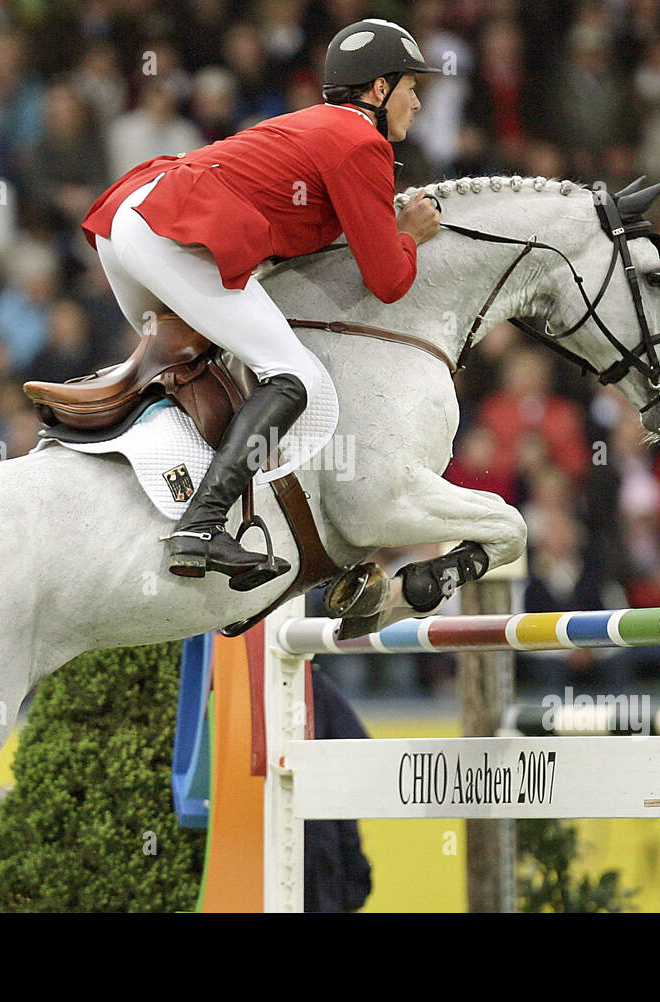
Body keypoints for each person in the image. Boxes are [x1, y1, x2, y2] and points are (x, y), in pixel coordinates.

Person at [80, 19, 442, 584]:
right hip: (171, 229)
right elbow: (389, 281)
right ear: (378, 89)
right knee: (297, 377)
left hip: (129, 219)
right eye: (412, 87)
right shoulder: (360, 141)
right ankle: (201, 525)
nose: (418, 103)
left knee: (198, 365)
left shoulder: (317, 125)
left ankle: (168, 482)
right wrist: (412, 233)